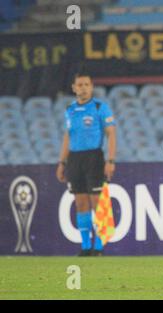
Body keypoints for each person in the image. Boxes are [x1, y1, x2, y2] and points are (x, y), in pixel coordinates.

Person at [56, 73, 116, 257]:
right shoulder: (70, 110)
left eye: (86, 84)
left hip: (94, 158)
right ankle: (84, 246)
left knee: (96, 202)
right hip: (74, 159)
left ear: (91, 87)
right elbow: (68, 136)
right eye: (79, 85)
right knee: (80, 202)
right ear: (74, 88)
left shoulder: (100, 107)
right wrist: (62, 162)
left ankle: (98, 246)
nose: (83, 88)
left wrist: (111, 160)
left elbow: (111, 134)